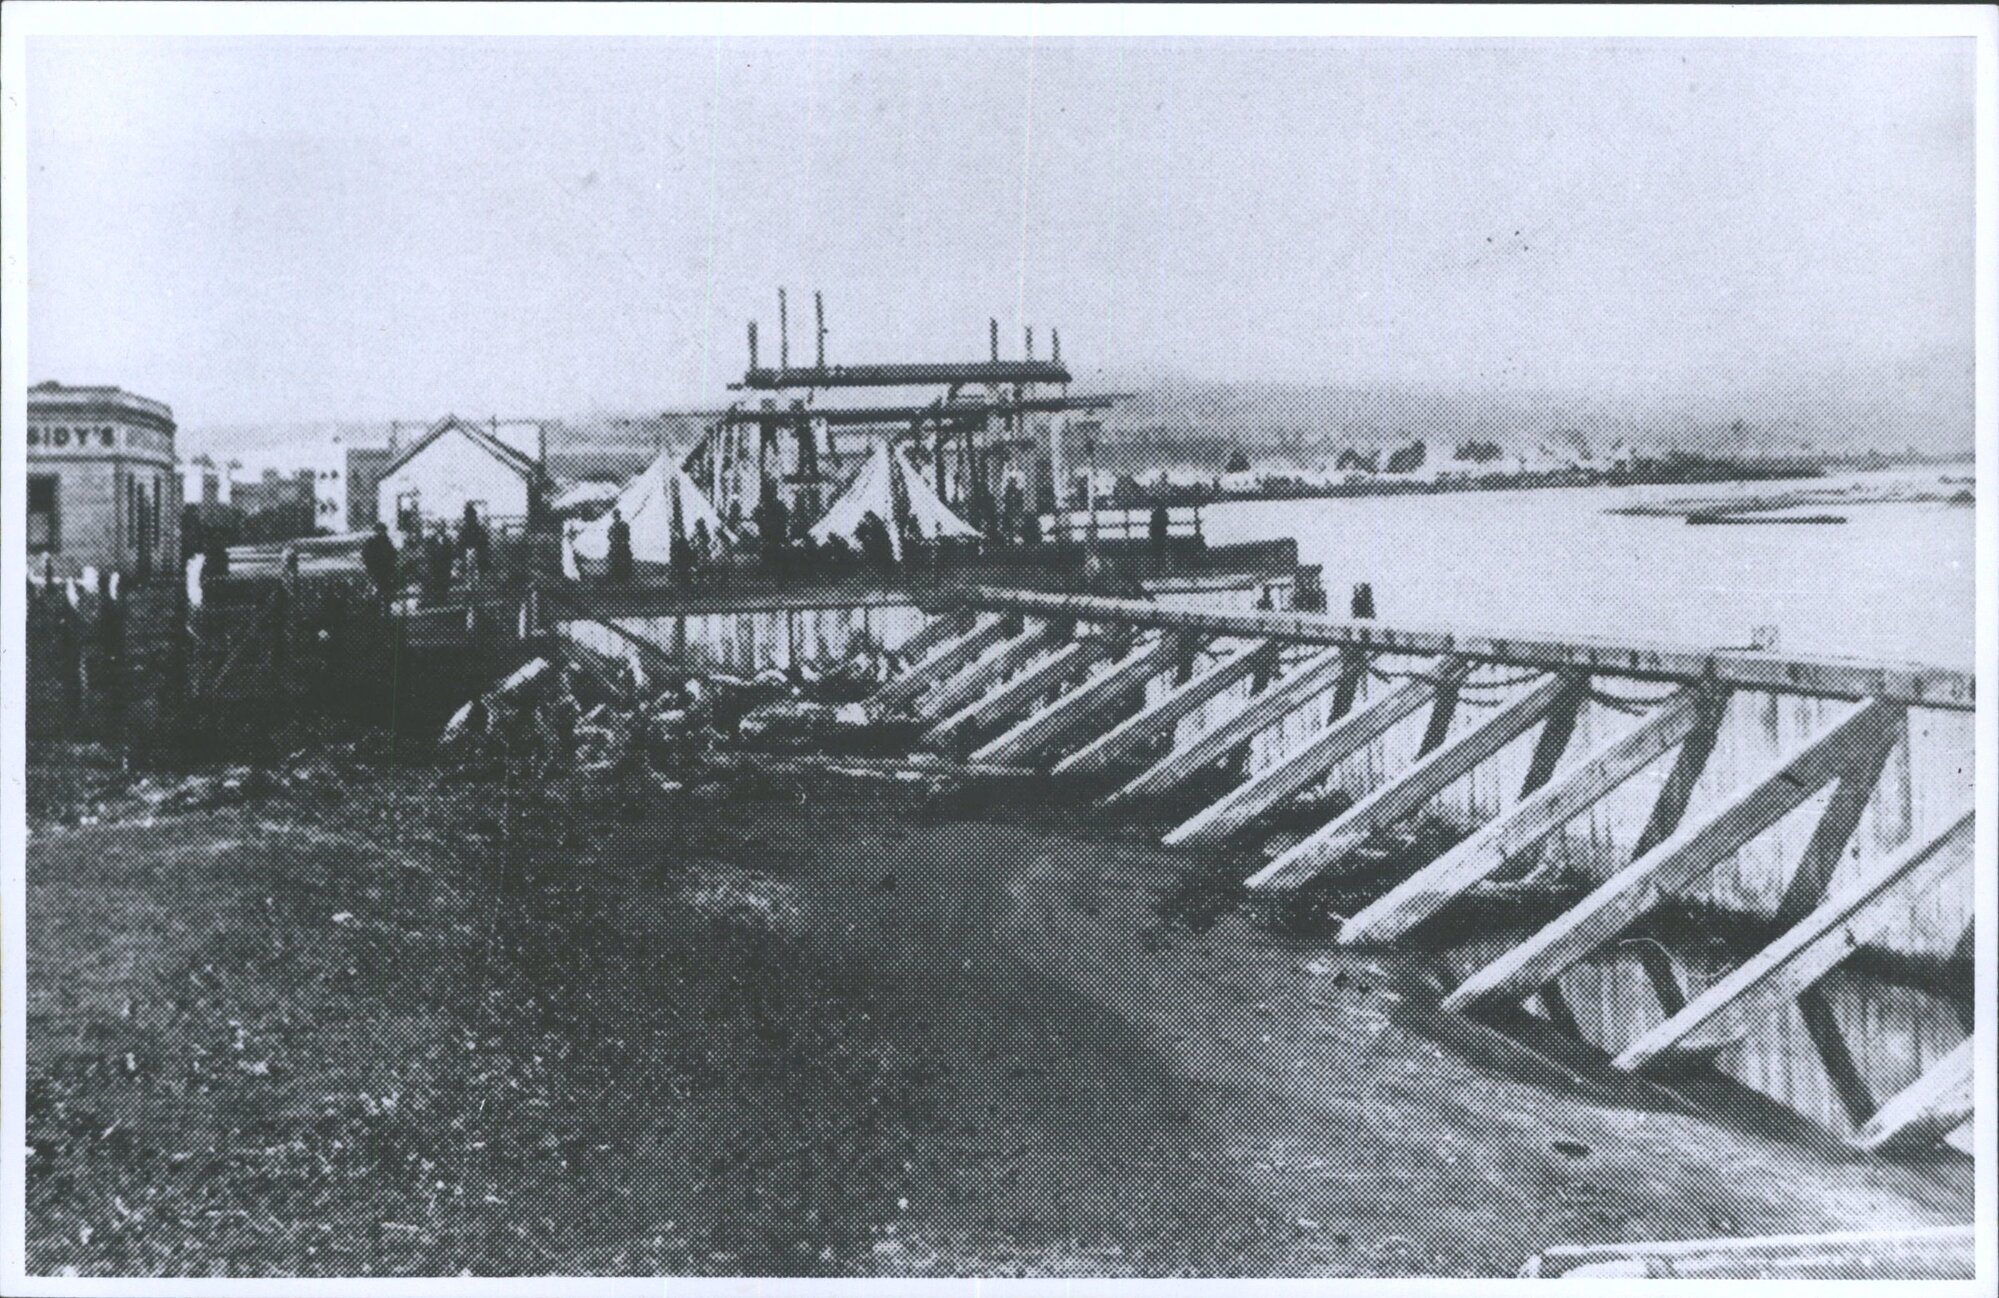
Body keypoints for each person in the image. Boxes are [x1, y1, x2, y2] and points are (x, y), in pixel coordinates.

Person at [361, 522, 397, 607]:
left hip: (385, 569)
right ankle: (376, 605)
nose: (381, 532)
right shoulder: (372, 541)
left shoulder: (387, 541)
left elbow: (393, 554)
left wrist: (391, 564)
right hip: (376, 569)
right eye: (379, 530)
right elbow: (365, 555)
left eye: (382, 530)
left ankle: (385, 604)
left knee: (385, 589)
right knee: (378, 588)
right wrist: (370, 565)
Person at [459, 503, 489, 583]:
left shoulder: (479, 530)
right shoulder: (464, 530)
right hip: (468, 557)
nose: (468, 518)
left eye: (470, 516)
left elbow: (484, 544)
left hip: (478, 557)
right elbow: (460, 545)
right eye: (467, 516)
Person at [606, 507, 634, 584]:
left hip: (621, 546)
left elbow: (627, 536)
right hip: (617, 547)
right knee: (615, 561)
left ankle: (623, 578)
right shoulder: (614, 526)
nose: (615, 517)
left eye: (615, 515)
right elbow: (609, 537)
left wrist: (620, 541)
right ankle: (618, 578)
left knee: (623, 561)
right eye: (615, 515)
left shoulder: (619, 525)